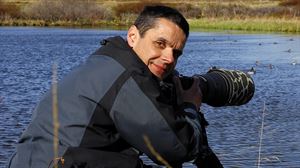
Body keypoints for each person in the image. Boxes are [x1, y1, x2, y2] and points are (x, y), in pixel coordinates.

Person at [7, 5, 223, 168]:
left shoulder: (106, 61)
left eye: (176, 53)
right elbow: (176, 149)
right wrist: (190, 106)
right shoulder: (129, 77)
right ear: (132, 36)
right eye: (160, 44)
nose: (169, 58)